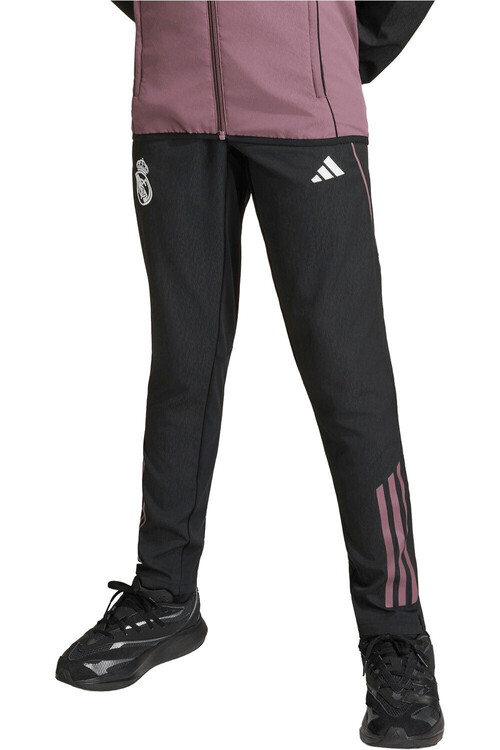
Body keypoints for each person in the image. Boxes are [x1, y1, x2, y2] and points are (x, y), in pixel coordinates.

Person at [57, 2, 444, 746]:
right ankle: (165, 596)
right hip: (174, 109)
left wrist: (338, 41)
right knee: (183, 367)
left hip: (306, 108)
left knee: (350, 379)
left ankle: (395, 633)